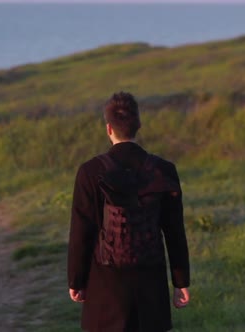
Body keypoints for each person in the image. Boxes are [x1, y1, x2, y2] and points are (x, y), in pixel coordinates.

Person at [67, 92, 190, 331]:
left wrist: (77, 280)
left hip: (106, 288)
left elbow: (82, 231)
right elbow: (174, 231)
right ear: (139, 126)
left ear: (108, 128)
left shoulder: (90, 172)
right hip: (151, 286)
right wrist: (181, 281)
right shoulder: (164, 170)